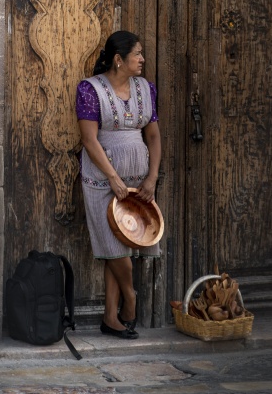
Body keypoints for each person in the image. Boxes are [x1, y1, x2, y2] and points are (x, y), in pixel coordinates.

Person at [76, 30, 161, 339]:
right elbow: (88, 139)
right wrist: (112, 176)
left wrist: (152, 176)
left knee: (123, 245)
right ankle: (132, 298)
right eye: (137, 54)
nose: (142, 59)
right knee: (114, 248)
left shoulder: (145, 88)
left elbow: (152, 135)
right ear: (118, 59)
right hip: (102, 180)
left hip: (138, 182)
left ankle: (110, 318)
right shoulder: (90, 89)